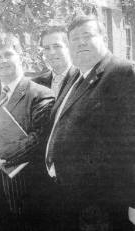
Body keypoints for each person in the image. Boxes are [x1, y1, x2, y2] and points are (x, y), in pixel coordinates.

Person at [46, 15, 135, 230]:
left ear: (104, 38)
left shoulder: (123, 72)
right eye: (74, 38)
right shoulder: (76, 75)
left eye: (88, 35)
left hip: (105, 204)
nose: (81, 42)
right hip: (71, 199)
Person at [0, 33, 55, 231]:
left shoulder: (40, 94)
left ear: (20, 56)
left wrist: (0, 156)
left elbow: (39, 138)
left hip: (27, 195)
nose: (3, 61)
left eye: (8, 54)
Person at [33, 26, 80, 99]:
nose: (52, 52)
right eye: (47, 48)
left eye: (57, 46)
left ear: (69, 47)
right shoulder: (35, 84)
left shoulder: (81, 78)